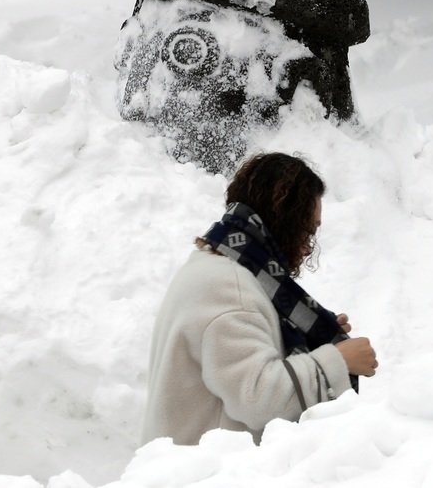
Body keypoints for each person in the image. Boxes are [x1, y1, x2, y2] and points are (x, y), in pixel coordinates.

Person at [141, 153, 377, 445]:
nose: (307, 248)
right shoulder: (231, 288)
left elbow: (236, 363)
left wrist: (306, 336)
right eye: (308, 230)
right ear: (284, 221)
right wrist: (339, 360)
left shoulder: (218, 266)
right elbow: (259, 398)